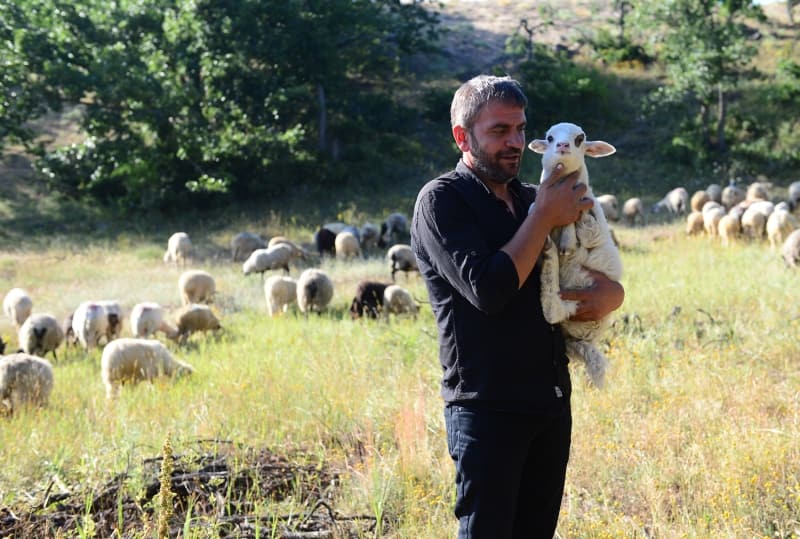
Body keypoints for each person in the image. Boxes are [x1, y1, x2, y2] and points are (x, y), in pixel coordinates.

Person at [410, 74, 624, 538]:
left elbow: (594, 262)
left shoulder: (534, 196)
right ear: (462, 137)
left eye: (521, 129)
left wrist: (611, 294)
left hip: (549, 399)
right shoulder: (443, 201)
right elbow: (488, 289)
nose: (515, 142)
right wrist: (544, 216)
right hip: (486, 408)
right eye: (499, 131)